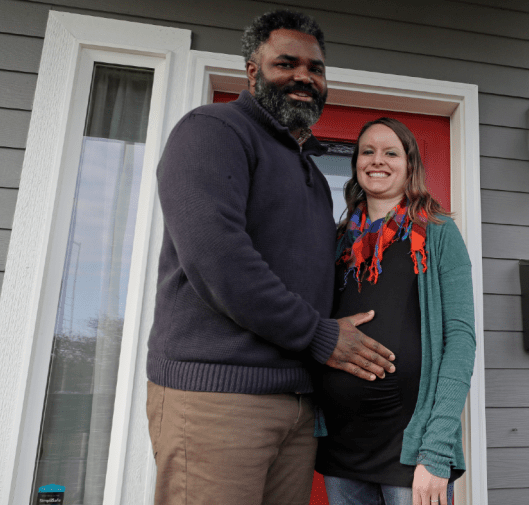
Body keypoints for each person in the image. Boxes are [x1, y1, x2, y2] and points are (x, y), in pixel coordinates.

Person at [145, 10, 396, 505]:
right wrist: (320, 335)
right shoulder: (212, 130)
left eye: (316, 68)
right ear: (252, 71)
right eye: (287, 63)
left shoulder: (309, 173)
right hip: (220, 397)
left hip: (298, 404)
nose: (304, 76)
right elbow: (219, 257)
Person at [314, 118, 477, 505]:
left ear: (410, 164)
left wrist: (436, 452)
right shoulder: (338, 242)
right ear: (355, 163)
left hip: (411, 447)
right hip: (343, 445)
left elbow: (460, 340)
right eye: (367, 151)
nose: (377, 160)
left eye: (391, 152)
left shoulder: (437, 233)